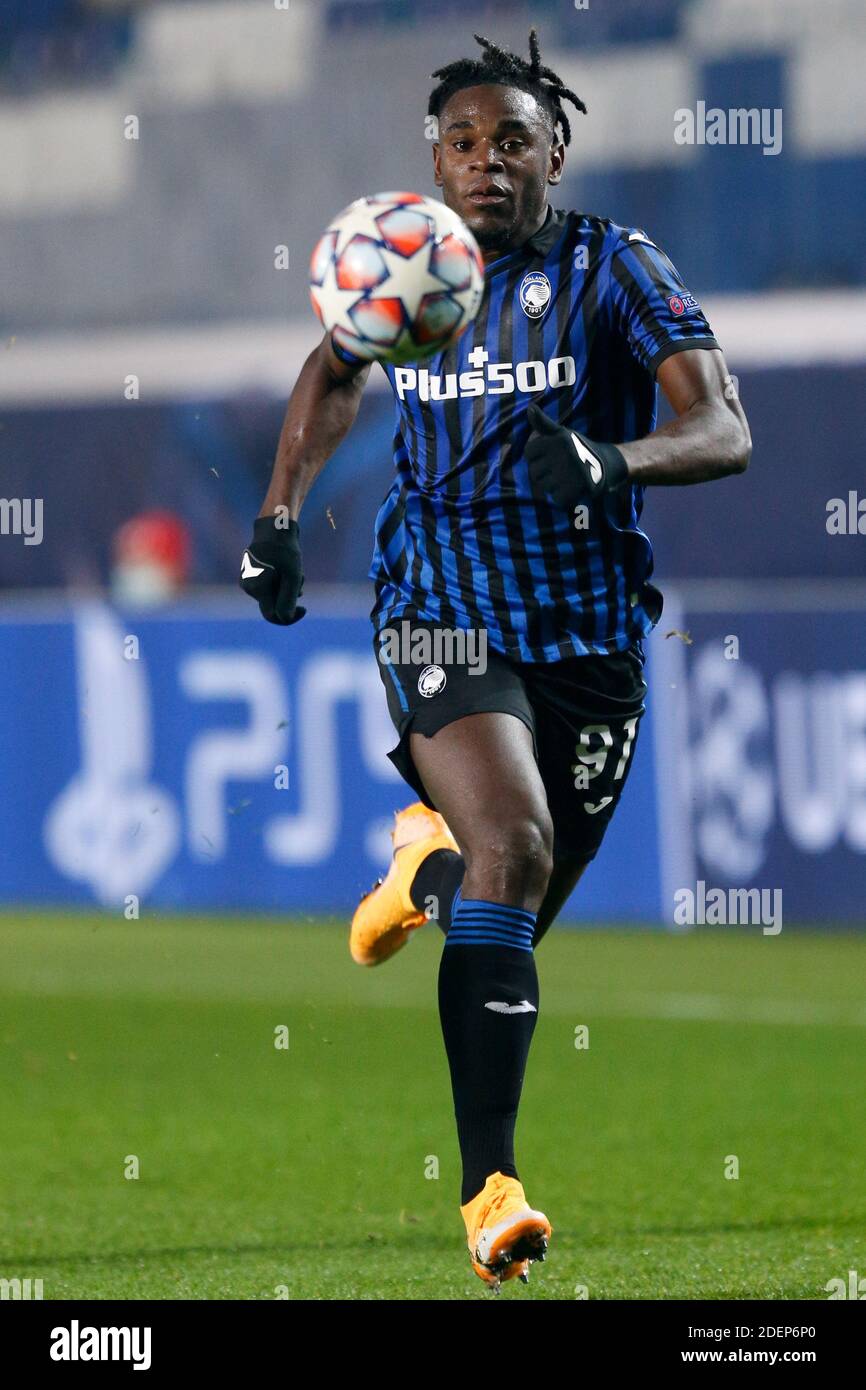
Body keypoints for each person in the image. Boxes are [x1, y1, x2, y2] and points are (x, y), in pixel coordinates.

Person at [239, 29, 751, 1290]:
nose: (482, 163)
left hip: (588, 640)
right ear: (435, 160)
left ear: (554, 153)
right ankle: (490, 1192)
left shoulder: (614, 269)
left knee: (499, 898)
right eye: (460, 143)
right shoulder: (413, 261)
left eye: (509, 140)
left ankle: (423, 872)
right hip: (440, 609)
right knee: (513, 848)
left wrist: (609, 461)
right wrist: (276, 517)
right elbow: (331, 369)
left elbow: (720, 427)